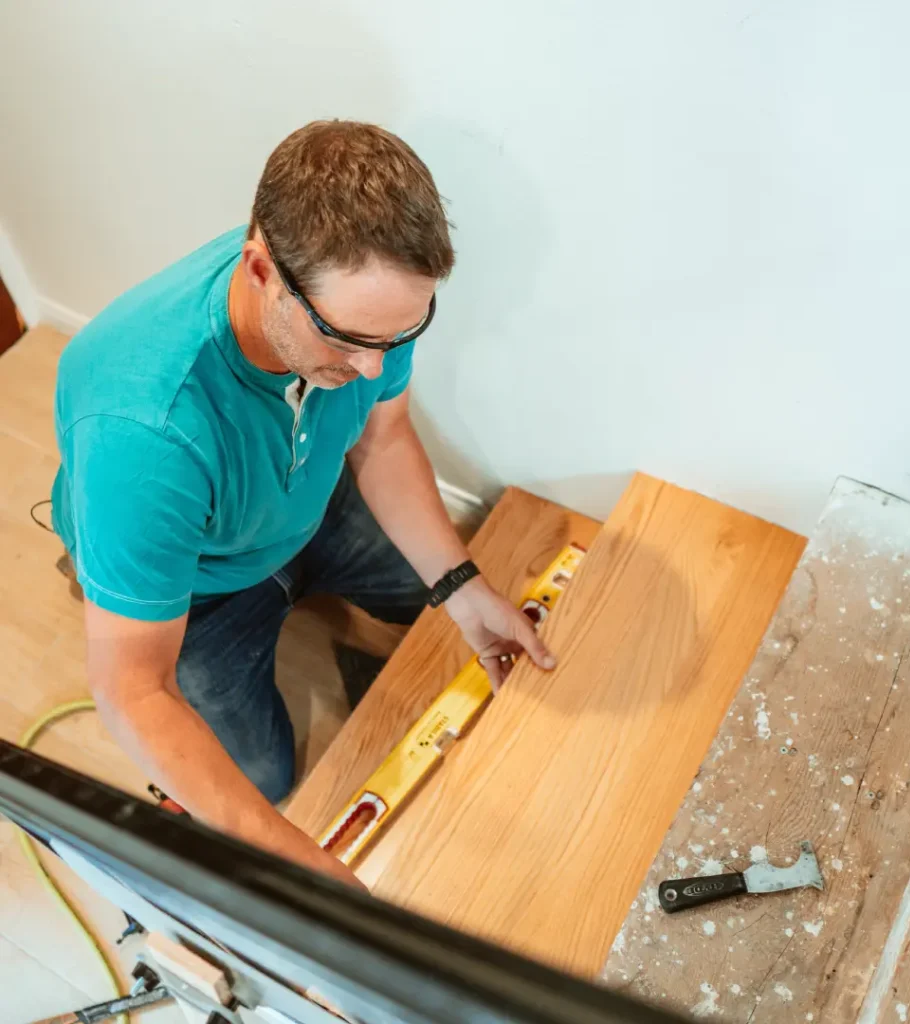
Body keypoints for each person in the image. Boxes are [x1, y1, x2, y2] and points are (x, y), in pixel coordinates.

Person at [50, 120, 555, 889]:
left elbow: (382, 441)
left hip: (309, 502)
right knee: (263, 778)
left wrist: (462, 588)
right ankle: (123, 575)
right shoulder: (143, 433)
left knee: (448, 602)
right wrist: (302, 872)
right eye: (348, 341)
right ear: (260, 269)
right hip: (206, 586)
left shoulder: (371, 306)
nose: (374, 365)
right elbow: (129, 689)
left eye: (400, 335)